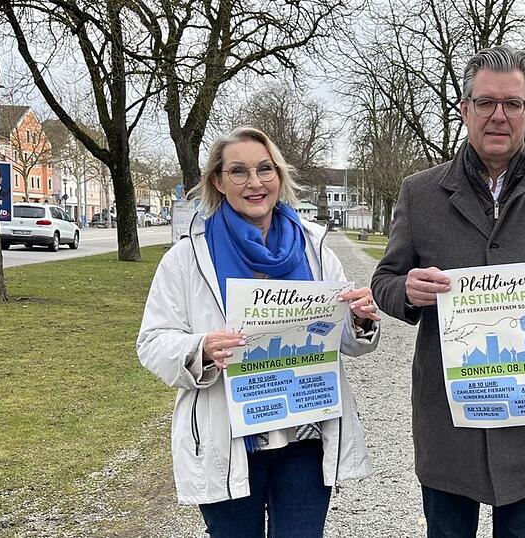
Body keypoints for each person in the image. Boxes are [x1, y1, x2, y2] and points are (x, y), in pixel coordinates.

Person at [371, 45, 525, 538]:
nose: (499, 115)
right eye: (486, 102)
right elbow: (384, 281)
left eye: (512, 103)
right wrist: (407, 291)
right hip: (448, 416)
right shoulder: (420, 192)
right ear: (465, 109)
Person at [136, 127, 380, 537]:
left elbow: (345, 341)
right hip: (228, 436)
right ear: (217, 180)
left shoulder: (315, 248)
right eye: (239, 171)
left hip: (305, 435)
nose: (255, 183)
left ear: (279, 176)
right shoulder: (187, 256)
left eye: (265, 169)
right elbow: (153, 341)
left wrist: (360, 319)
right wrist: (201, 348)